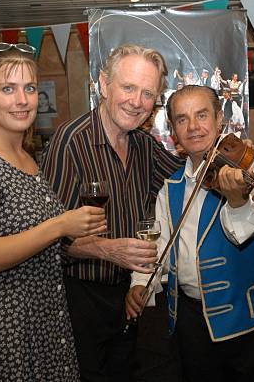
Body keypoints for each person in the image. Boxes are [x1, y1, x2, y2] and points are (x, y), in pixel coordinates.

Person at [0, 43, 107, 380]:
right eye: (8, 89)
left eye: (29, 88)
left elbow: (38, 247)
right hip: (5, 335)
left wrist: (108, 250)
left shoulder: (30, 160)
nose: (22, 100)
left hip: (45, 326)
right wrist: (60, 224)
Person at [126, 85, 254, 382]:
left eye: (202, 115)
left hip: (250, 317)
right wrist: (141, 282)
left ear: (220, 120)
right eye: (182, 119)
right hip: (192, 322)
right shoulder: (170, 188)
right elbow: (158, 245)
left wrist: (237, 200)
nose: (193, 127)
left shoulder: (246, 165)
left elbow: (245, 232)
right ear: (174, 133)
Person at [42, 44, 184, 381]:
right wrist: (108, 249)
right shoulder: (71, 141)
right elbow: (45, 237)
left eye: (148, 93)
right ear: (104, 85)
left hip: (127, 297)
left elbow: (189, 175)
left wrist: (232, 155)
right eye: (128, 87)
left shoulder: (144, 145)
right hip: (79, 298)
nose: (137, 102)